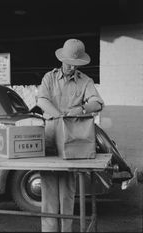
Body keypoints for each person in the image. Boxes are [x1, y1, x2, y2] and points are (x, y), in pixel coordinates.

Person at [37, 38, 104, 232]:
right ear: (62, 59)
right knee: (49, 192)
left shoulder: (85, 81)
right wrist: (60, 117)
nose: (71, 67)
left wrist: (81, 109)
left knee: (67, 193)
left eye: (75, 64)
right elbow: (42, 99)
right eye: (68, 63)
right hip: (50, 140)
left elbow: (97, 103)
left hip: (72, 142)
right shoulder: (49, 78)